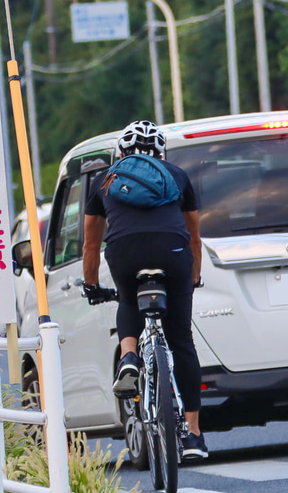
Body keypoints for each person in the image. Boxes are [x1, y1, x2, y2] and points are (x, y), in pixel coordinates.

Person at [81, 121, 207, 460]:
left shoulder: (105, 179)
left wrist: (91, 284)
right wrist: (193, 277)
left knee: (127, 296)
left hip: (125, 253)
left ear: (121, 152)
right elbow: (194, 235)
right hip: (173, 252)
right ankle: (193, 435)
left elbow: (91, 244)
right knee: (181, 340)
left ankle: (129, 357)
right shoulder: (178, 176)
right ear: (162, 151)